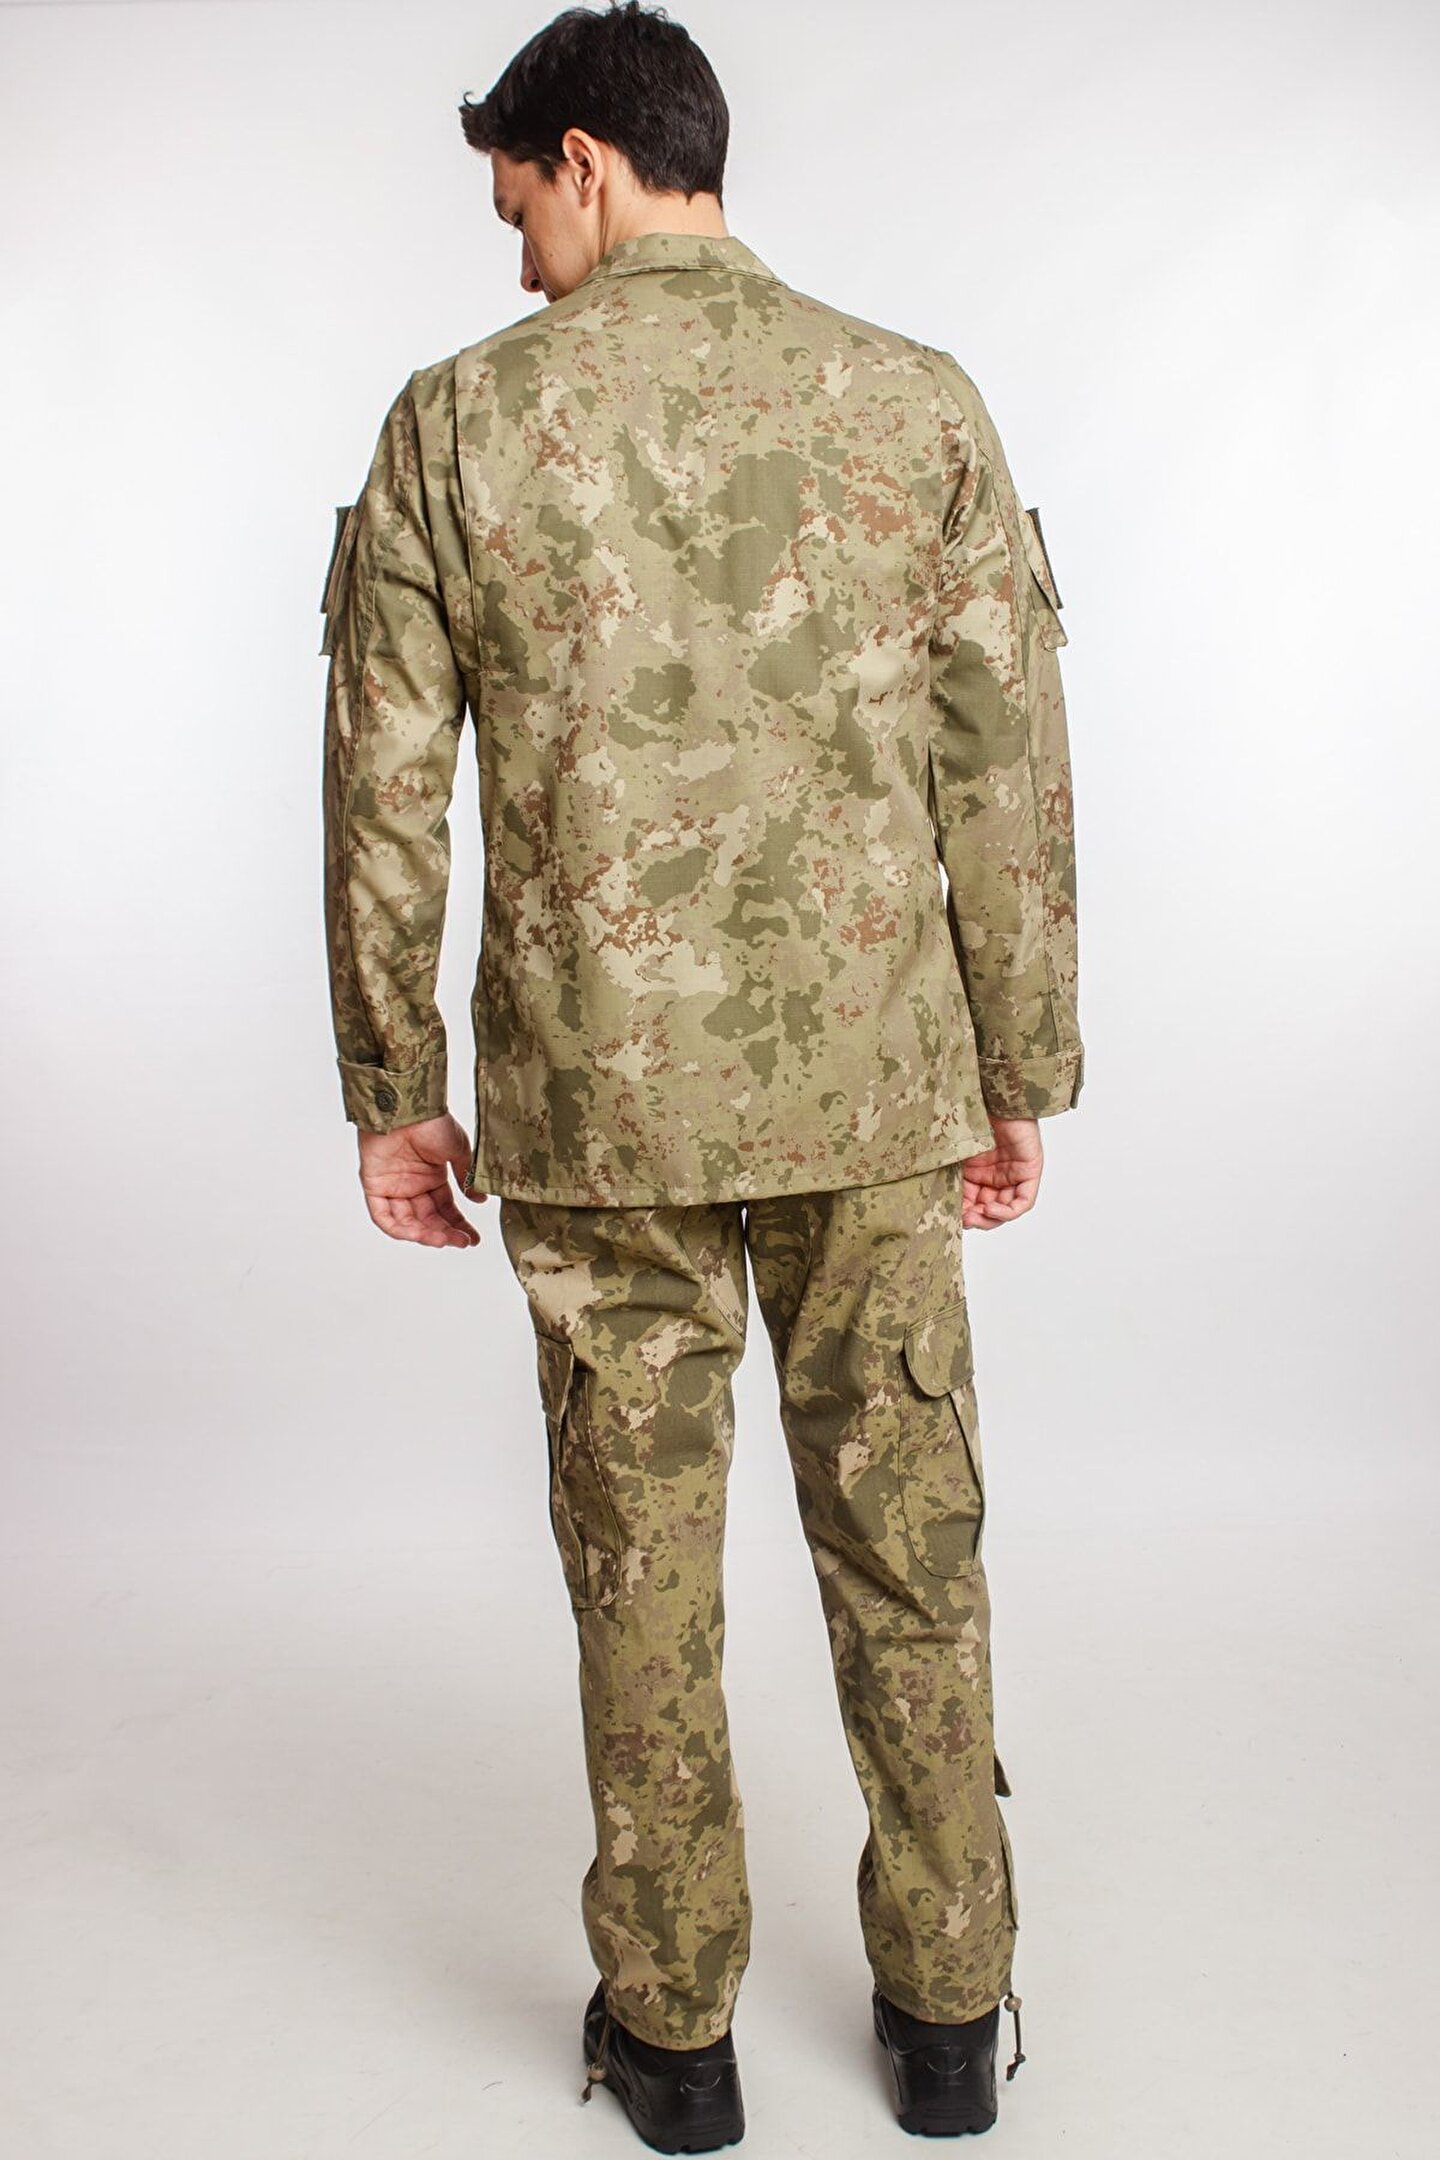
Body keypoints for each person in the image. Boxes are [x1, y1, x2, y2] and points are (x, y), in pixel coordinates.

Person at [318, 2, 1083, 2144]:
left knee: (639, 1571)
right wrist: (1022, 1062)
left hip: (598, 1112)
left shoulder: (456, 425)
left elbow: (385, 785)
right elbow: (1007, 767)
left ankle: (674, 2043)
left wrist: (393, 1078)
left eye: (518, 211)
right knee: (910, 1546)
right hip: (877, 1089)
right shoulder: (915, 403)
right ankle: (951, 2021)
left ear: (585, 158)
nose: (518, 262)